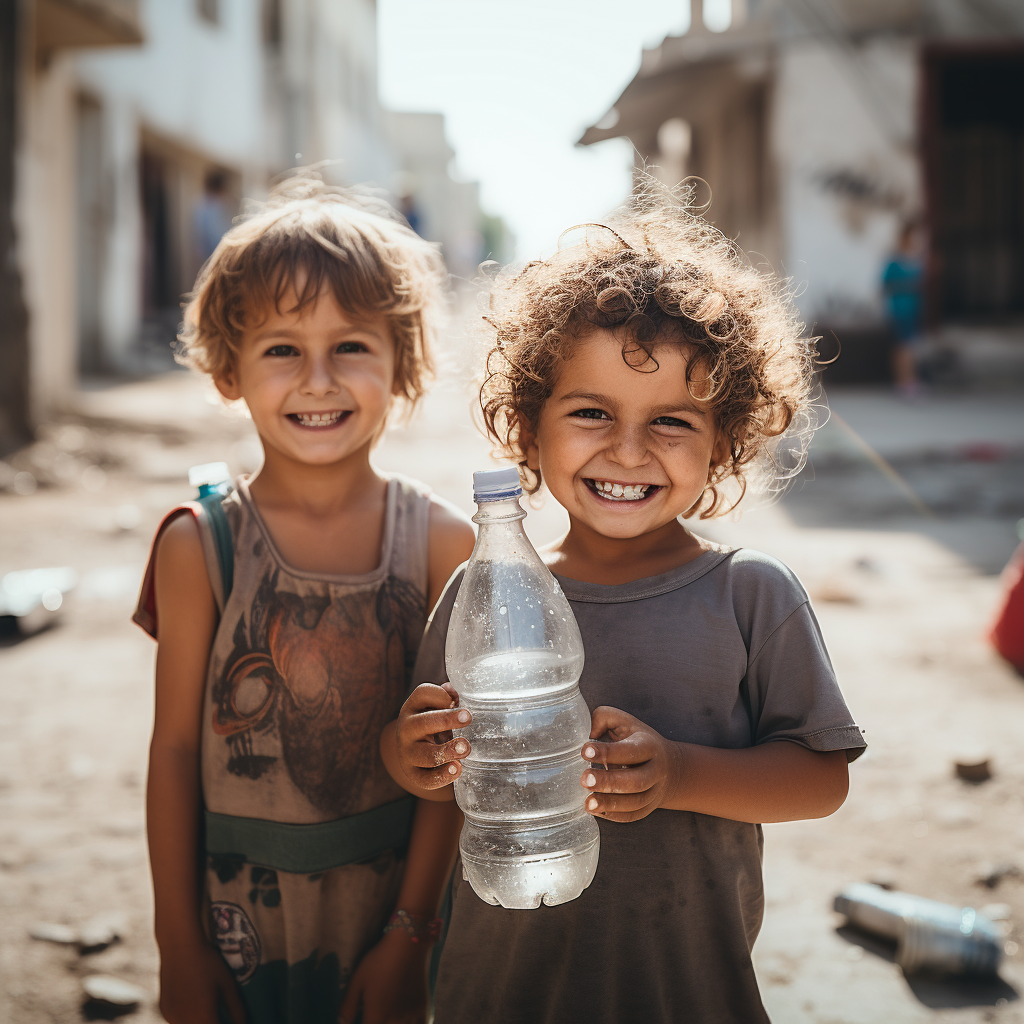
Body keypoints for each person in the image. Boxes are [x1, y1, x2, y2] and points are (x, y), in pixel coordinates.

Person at [382, 187, 867, 1023]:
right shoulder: (486, 595)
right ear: (528, 430)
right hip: (496, 992)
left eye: (673, 421)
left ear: (725, 443)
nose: (629, 450)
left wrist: (678, 773)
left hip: (684, 992)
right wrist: (408, 754)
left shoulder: (751, 594)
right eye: (591, 412)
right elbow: (438, 778)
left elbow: (819, 780)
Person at [134, 175, 473, 1024]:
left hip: (395, 909)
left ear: (404, 365)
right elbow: (175, 753)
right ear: (228, 371)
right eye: (282, 348)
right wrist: (179, 948)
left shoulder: (443, 543)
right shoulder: (200, 545)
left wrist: (409, 937)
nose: (318, 380)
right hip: (236, 921)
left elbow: (457, 766)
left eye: (352, 346)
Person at [882, 220, 925, 397]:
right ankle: (905, 382)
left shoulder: (918, 261)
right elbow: (885, 285)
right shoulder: (896, 262)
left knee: (910, 346)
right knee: (903, 347)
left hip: (914, 311)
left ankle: (909, 380)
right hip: (899, 311)